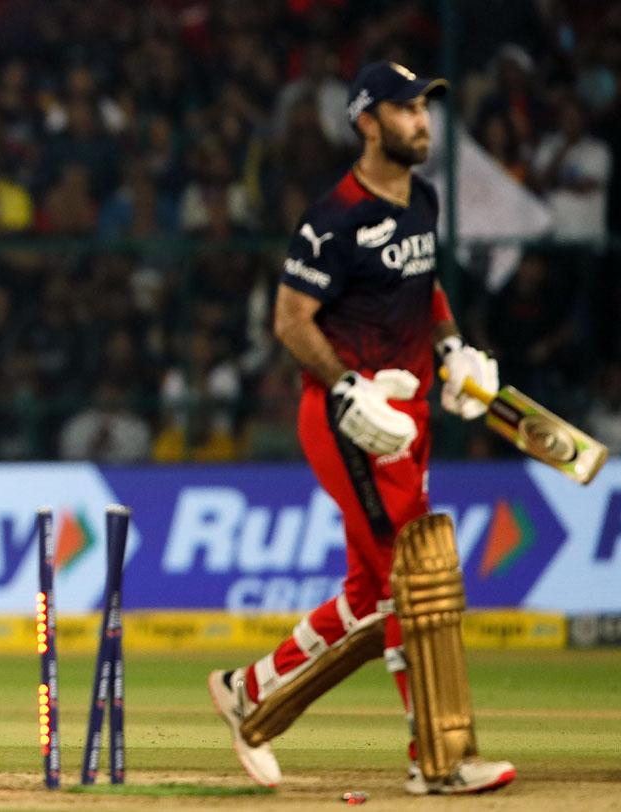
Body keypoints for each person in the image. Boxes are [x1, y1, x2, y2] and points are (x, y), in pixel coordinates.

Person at [207, 63, 516, 795]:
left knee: (371, 591)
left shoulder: (425, 201)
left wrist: (452, 351)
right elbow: (290, 320)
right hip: (351, 422)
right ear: (367, 122)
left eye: (425, 109)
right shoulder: (333, 218)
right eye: (406, 110)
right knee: (414, 586)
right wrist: (347, 390)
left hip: (407, 420)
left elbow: (425, 286)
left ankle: (247, 691)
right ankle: (436, 760)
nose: (422, 122)